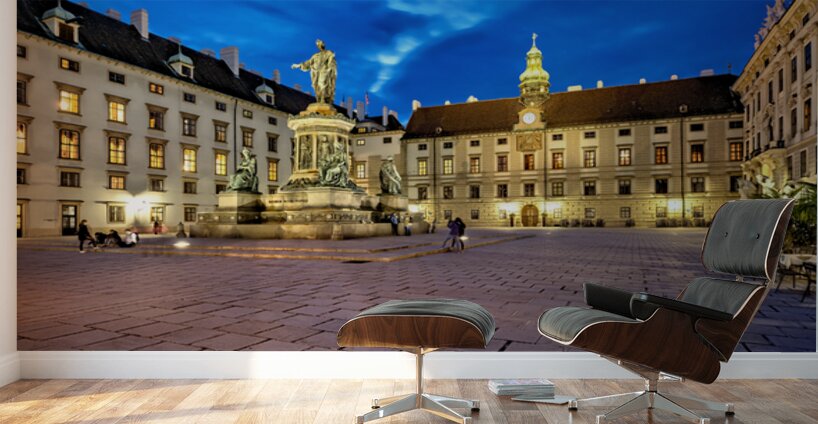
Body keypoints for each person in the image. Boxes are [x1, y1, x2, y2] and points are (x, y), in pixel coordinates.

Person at [291, 39, 337, 104]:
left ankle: (323, 100)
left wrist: (329, 69)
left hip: (324, 71)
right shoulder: (315, 56)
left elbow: (332, 63)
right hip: (315, 74)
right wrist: (298, 65)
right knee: (316, 86)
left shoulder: (329, 53)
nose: (320, 45)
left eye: (321, 43)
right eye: (318, 44)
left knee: (322, 84)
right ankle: (319, 99)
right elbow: (308, 63)